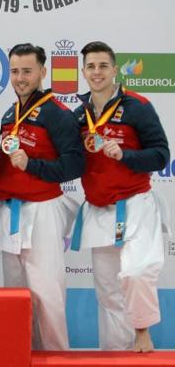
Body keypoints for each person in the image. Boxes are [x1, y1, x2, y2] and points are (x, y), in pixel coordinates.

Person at [71, 41, 169, 352]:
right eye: (91, 66)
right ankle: (114, 353)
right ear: (83, 72)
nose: (97, 72)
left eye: (103, 66)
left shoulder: (137, 106)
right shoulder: (78, 115)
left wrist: (125, 155)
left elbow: (160, 156)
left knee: (137, 271)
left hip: (136, 203)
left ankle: (142, 332)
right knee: (108, 291)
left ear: (115, 69)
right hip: (100, 210)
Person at [0, 43, 84, 350]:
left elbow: (74, 165)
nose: (20, 78)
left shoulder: (58, 114)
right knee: (16, 295)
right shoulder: (9, 112)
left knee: (47, 293)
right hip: (11, 211)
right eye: (15, 71)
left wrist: (33, 165)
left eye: (27, 71)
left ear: (43, 72)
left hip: (43, 209)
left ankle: (57, 356)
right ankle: (23, 354)